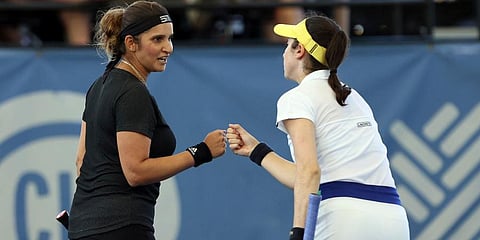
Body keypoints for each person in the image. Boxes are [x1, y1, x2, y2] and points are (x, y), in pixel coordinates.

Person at [226, 14, 410, 240]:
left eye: (287, 45)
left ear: (299, 50)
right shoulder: (355, 97)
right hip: (394, 219)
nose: (283, 52)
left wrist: (298, 232)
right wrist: (257, 150)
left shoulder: (296, 98)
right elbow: (310, 176)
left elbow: (309, 172)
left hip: (343, 219)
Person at [68, 1, 226, 239]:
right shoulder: (132, 92)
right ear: (131, 43)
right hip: (122, 227)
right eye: (157, 39)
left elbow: (82, 162)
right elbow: (135, 171)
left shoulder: (98, 86)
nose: (168, 48)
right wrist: (199, 152)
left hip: (83, 227)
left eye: (170, 38)